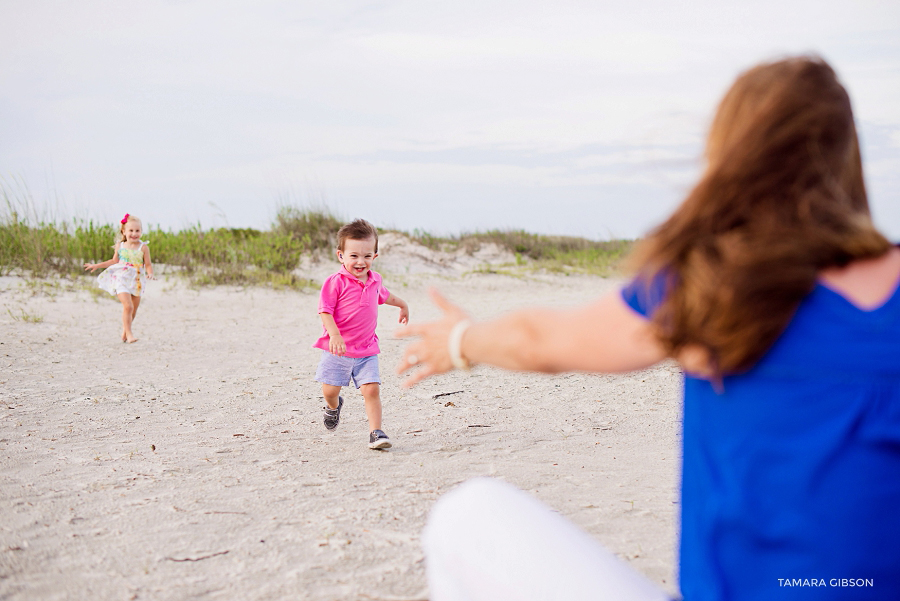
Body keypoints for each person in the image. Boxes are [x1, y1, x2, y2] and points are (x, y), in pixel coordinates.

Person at [396, 56, 900, 600]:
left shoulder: (708, 286)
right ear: (848, 159)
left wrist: (459, 340)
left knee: (468, 516)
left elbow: (539, 340)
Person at [313, 218, 410, 450]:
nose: (360, 261)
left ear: (374, 257)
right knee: (330, 390)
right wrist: (334, 335)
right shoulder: (335, 282)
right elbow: (324, 311)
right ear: (341, 256)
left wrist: (403, 305)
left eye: (367, 256)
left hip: (366, 349)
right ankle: (333, 407)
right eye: (354, 255)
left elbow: (386, 296)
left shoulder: (375, 280)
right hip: (338, 349)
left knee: (372, 389)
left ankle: (376, 432)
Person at [84, 213, 155, 343]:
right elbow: (113, 261)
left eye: (137, 231)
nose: (134, 234)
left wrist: (150, 273)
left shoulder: (143, 247)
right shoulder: (120, 246)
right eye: (131, 230)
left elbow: (148, 264)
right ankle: (129, 334)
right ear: (124, 231)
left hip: (136, 280)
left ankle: (125, 330)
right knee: (127, 306)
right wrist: (97, 265)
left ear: (141, 231)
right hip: (121, 278)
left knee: (133, 309)